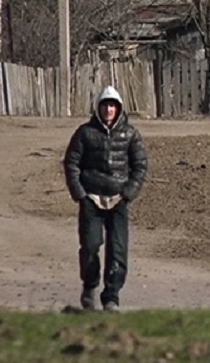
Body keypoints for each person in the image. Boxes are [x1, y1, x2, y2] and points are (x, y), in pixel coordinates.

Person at [63, 85, 148, 312]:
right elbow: (71, 163)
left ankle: (111, 297)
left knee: (118, 250)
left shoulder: (130, 134)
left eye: (113, 106)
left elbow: (140, 165)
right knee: (90, 245)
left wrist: (129, 192)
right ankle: (89, 287)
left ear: (119, 109)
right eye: (105, 105)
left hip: (118, 200)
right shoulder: (84, 133)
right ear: (98, 108)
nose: (109, 110)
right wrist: (79, 193)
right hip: (91, 199)